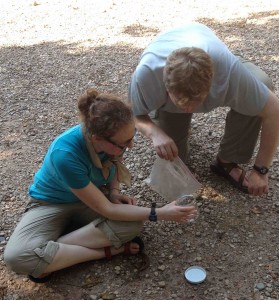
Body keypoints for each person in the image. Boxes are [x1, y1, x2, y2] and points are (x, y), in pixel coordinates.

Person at [4, 88, 196, 283]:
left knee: (132, 223)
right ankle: (108, 251)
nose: (130, 146)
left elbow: (114, 163)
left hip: (92, 198)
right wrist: (160, 212)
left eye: (132, 138)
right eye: (125, 143)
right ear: (97, 139)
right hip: (51, 204)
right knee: (17, 258)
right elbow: (107, 210)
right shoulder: (65, 154)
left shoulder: (113, 139)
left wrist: (114, 191)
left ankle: (50, 252)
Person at [128, 23, 279, 197]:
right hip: (170, 65)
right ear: (165, 86)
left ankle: (227, 161)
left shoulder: (227, 72)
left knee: (262, 83)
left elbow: (275, 111)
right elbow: (134, 115)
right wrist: (155, 133)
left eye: (196, 102)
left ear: (212, 84)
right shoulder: (146, 75)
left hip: (211, 52)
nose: (189, 109)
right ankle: (174, 125)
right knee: (174, 159)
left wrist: (260, 170)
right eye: (181, 102)